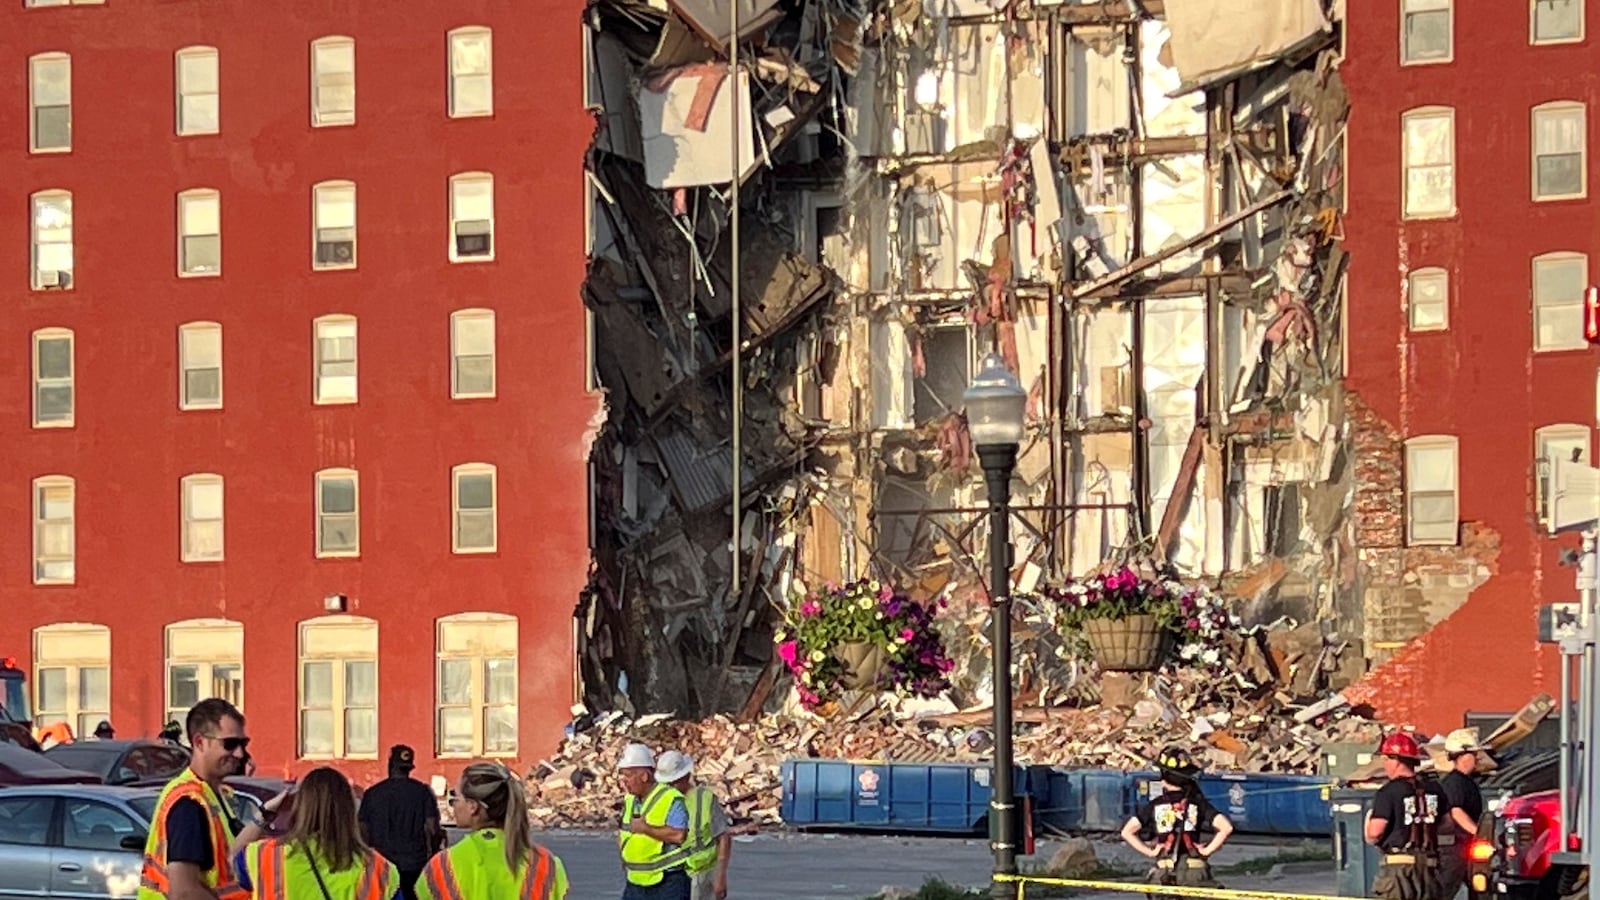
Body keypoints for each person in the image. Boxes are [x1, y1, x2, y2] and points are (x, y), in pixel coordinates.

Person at [137, 698, 287, 900]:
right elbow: (183, 892)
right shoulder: (189, 802)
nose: (239, 753)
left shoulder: (212, 794)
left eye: (243, 743)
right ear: (199, 742)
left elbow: (229, 857)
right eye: (230, 744)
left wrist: (266, 813)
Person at [237, 766, 401, 900]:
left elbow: (228, 862)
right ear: (350, 811)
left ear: (300, 807)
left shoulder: (262, 856)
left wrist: (265, 813)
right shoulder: (379, 869)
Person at [417, 762, 568, 900]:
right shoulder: (547, 865)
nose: (453, 805)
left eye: (455, 797)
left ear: (472, 806)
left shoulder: (442, 866)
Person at [1119, 746, 1234, 890]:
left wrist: (1150, 852)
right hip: (1194, 871)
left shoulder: (1155, 804)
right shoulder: (1197, 802)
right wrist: (1206, 851)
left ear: (1163, 779)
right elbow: (1226, 827)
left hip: (1164, 872)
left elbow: (1127, 832)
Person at [653, 751, 748, 900]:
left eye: (673, 782)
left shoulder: (705, 799)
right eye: (666, 783)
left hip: (701, 873)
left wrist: (720, 876)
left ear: (685, 777)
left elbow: (723, 837)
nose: (669, 787)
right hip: (670, 874)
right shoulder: (661, 800)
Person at [1367, 730, 1450, 900]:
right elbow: (1448, 823)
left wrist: (1367, 827)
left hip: (1399, 871)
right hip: (1429, 869)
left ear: (1396, 760)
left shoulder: (1388, 792)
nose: (1384, 764)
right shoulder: (1434, 788)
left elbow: (1375, 832)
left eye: (1386, 759)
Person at [360, 745, 445, 900]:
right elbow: (432, 828)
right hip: (414, 865)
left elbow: (362, 830)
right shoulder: (423, 792)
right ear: (409, 768)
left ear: (390, 765)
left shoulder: (372, 794)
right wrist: (433, 853)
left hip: (381, 865)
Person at [617, 743, 690, 900]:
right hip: (636, 881)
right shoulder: (630, 801)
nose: (625, 782)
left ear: (644, 776)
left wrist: (646, 829)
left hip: (667, 882)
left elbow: (679, 835)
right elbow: (624, 833)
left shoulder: (670, 798)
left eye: (628, 776)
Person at [1435, 729, 1487, 900]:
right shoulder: (1455, 782)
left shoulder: (1466, 782)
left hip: (1465, 847)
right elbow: (1456, 812)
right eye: (1473, 754)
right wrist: (1479, 833)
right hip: (1454, 849)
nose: (1476, 758)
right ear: (1462, 755)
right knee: (1444, 892)